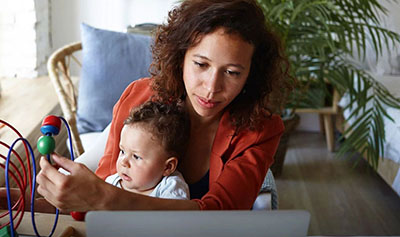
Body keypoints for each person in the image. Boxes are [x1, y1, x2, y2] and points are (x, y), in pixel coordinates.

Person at [37, 0, 293, 211]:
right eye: (201, 65)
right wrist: (15, 199)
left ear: (251, 75)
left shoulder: (261, 130)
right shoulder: (139, 96)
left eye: (232, 72)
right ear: (180, 57)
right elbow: (99, 188)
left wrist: (106, 199)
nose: (212, 87)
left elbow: (222, 215)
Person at [105, 100, 190, 199]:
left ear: (168, 167)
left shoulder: (170, 188)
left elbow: (177, 213)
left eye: (136, 156)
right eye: (123, 151)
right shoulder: (111, 183)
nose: (124, 162)